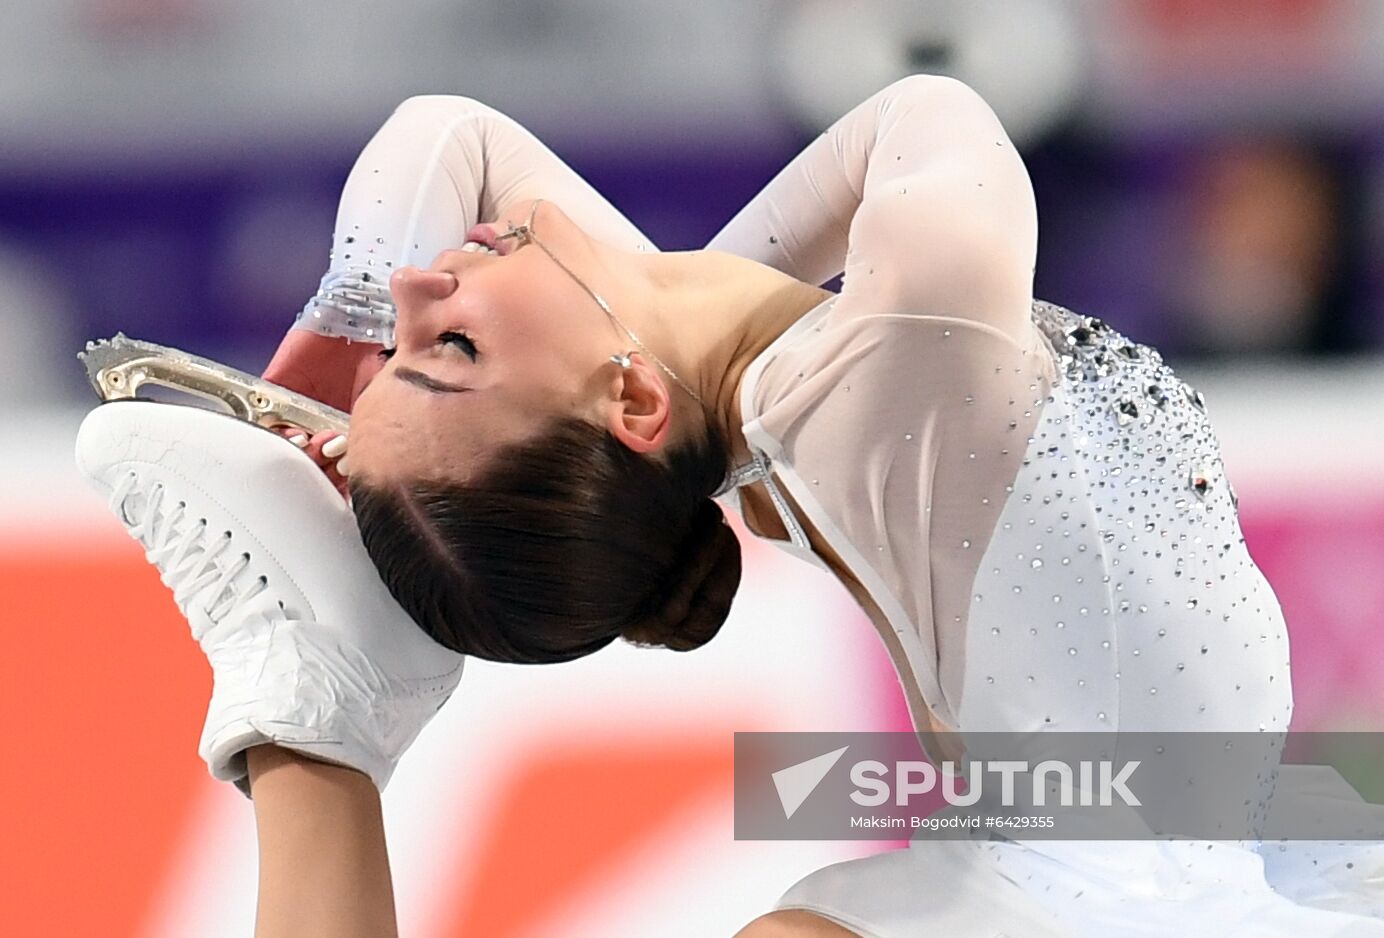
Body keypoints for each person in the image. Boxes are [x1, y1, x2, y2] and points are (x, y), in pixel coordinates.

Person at [82, 77, 1384, 936]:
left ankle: (319, 730)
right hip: (1126, 886)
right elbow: (935, 113)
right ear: (630, 406)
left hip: (1138, 833)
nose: (426, 294)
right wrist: (661, 308)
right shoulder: (890, 362)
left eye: (418, 337)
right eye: (452, 350)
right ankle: (314, 720)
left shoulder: (709, 388)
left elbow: (446, 136)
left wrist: (344, 328)